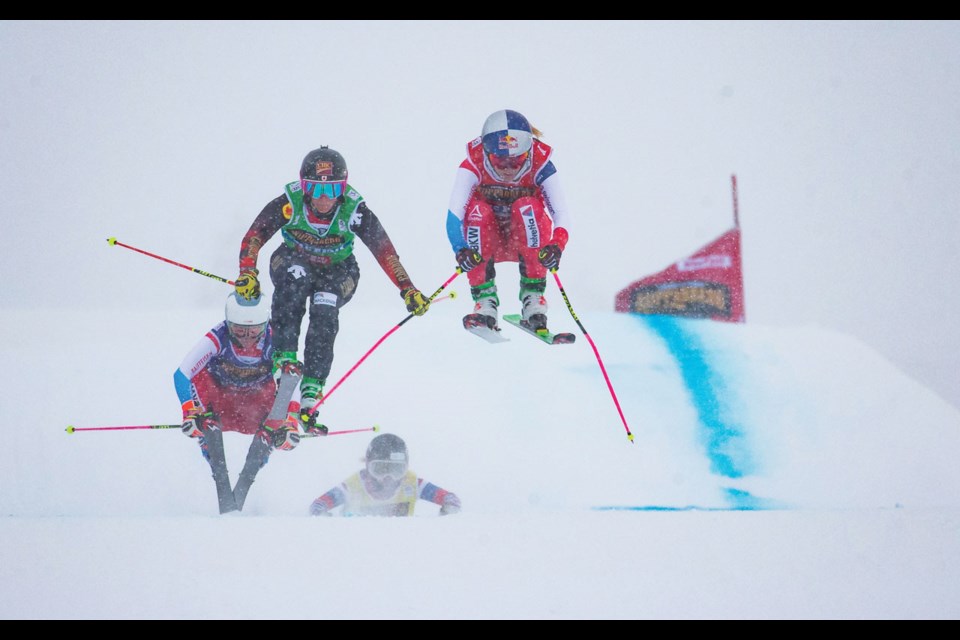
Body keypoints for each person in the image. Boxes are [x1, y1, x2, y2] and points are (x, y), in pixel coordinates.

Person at [234, 146, 431, 430]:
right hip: (292, 259)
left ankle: (313, 385)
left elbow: (385, 252)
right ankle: (284, 358)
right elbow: (255, 236)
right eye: (315, 190)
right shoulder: (289, 203)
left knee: (325, 307)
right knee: (295, 279)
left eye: (332, 190)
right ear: (304, 187)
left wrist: (408, 289)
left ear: (343, 188)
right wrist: (247, 272)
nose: (324, 199)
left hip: (339, 270)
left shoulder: (354, 210)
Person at [445, 109, 572, 334]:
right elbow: (454, 214)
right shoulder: (473, 163)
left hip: (525, 240)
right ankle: (485, 301)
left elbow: (561, 213)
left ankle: (533, 297)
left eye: (517, 160)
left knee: (527, 207)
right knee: (476, 212)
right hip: (486, 241)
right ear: (486, 153)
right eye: (499, 160)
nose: (508, 169)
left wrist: (557, 244)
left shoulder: (541, 164)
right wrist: (460, 248)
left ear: (529, 152)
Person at [174, 293, 302, 514]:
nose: (246, 337)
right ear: (228, 323)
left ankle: (270, 438)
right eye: (239, 330)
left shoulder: (275, 339)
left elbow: (292, 383)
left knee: (288, 373)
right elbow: (182, 374)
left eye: (253, 331)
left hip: (255, 403)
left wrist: (291, 421)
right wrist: (189, 410)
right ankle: (206, 435)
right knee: (200, 377)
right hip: (221, 399)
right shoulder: (218, 336)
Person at [309, 433, 461, 517]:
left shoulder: (412, 484)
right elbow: (318, 505)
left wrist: (449, 509)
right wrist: (323, 519)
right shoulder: (352, 487)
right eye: (380, 469)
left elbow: (451, 499)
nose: (388, 477)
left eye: (396, 470)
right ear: (368, 465)